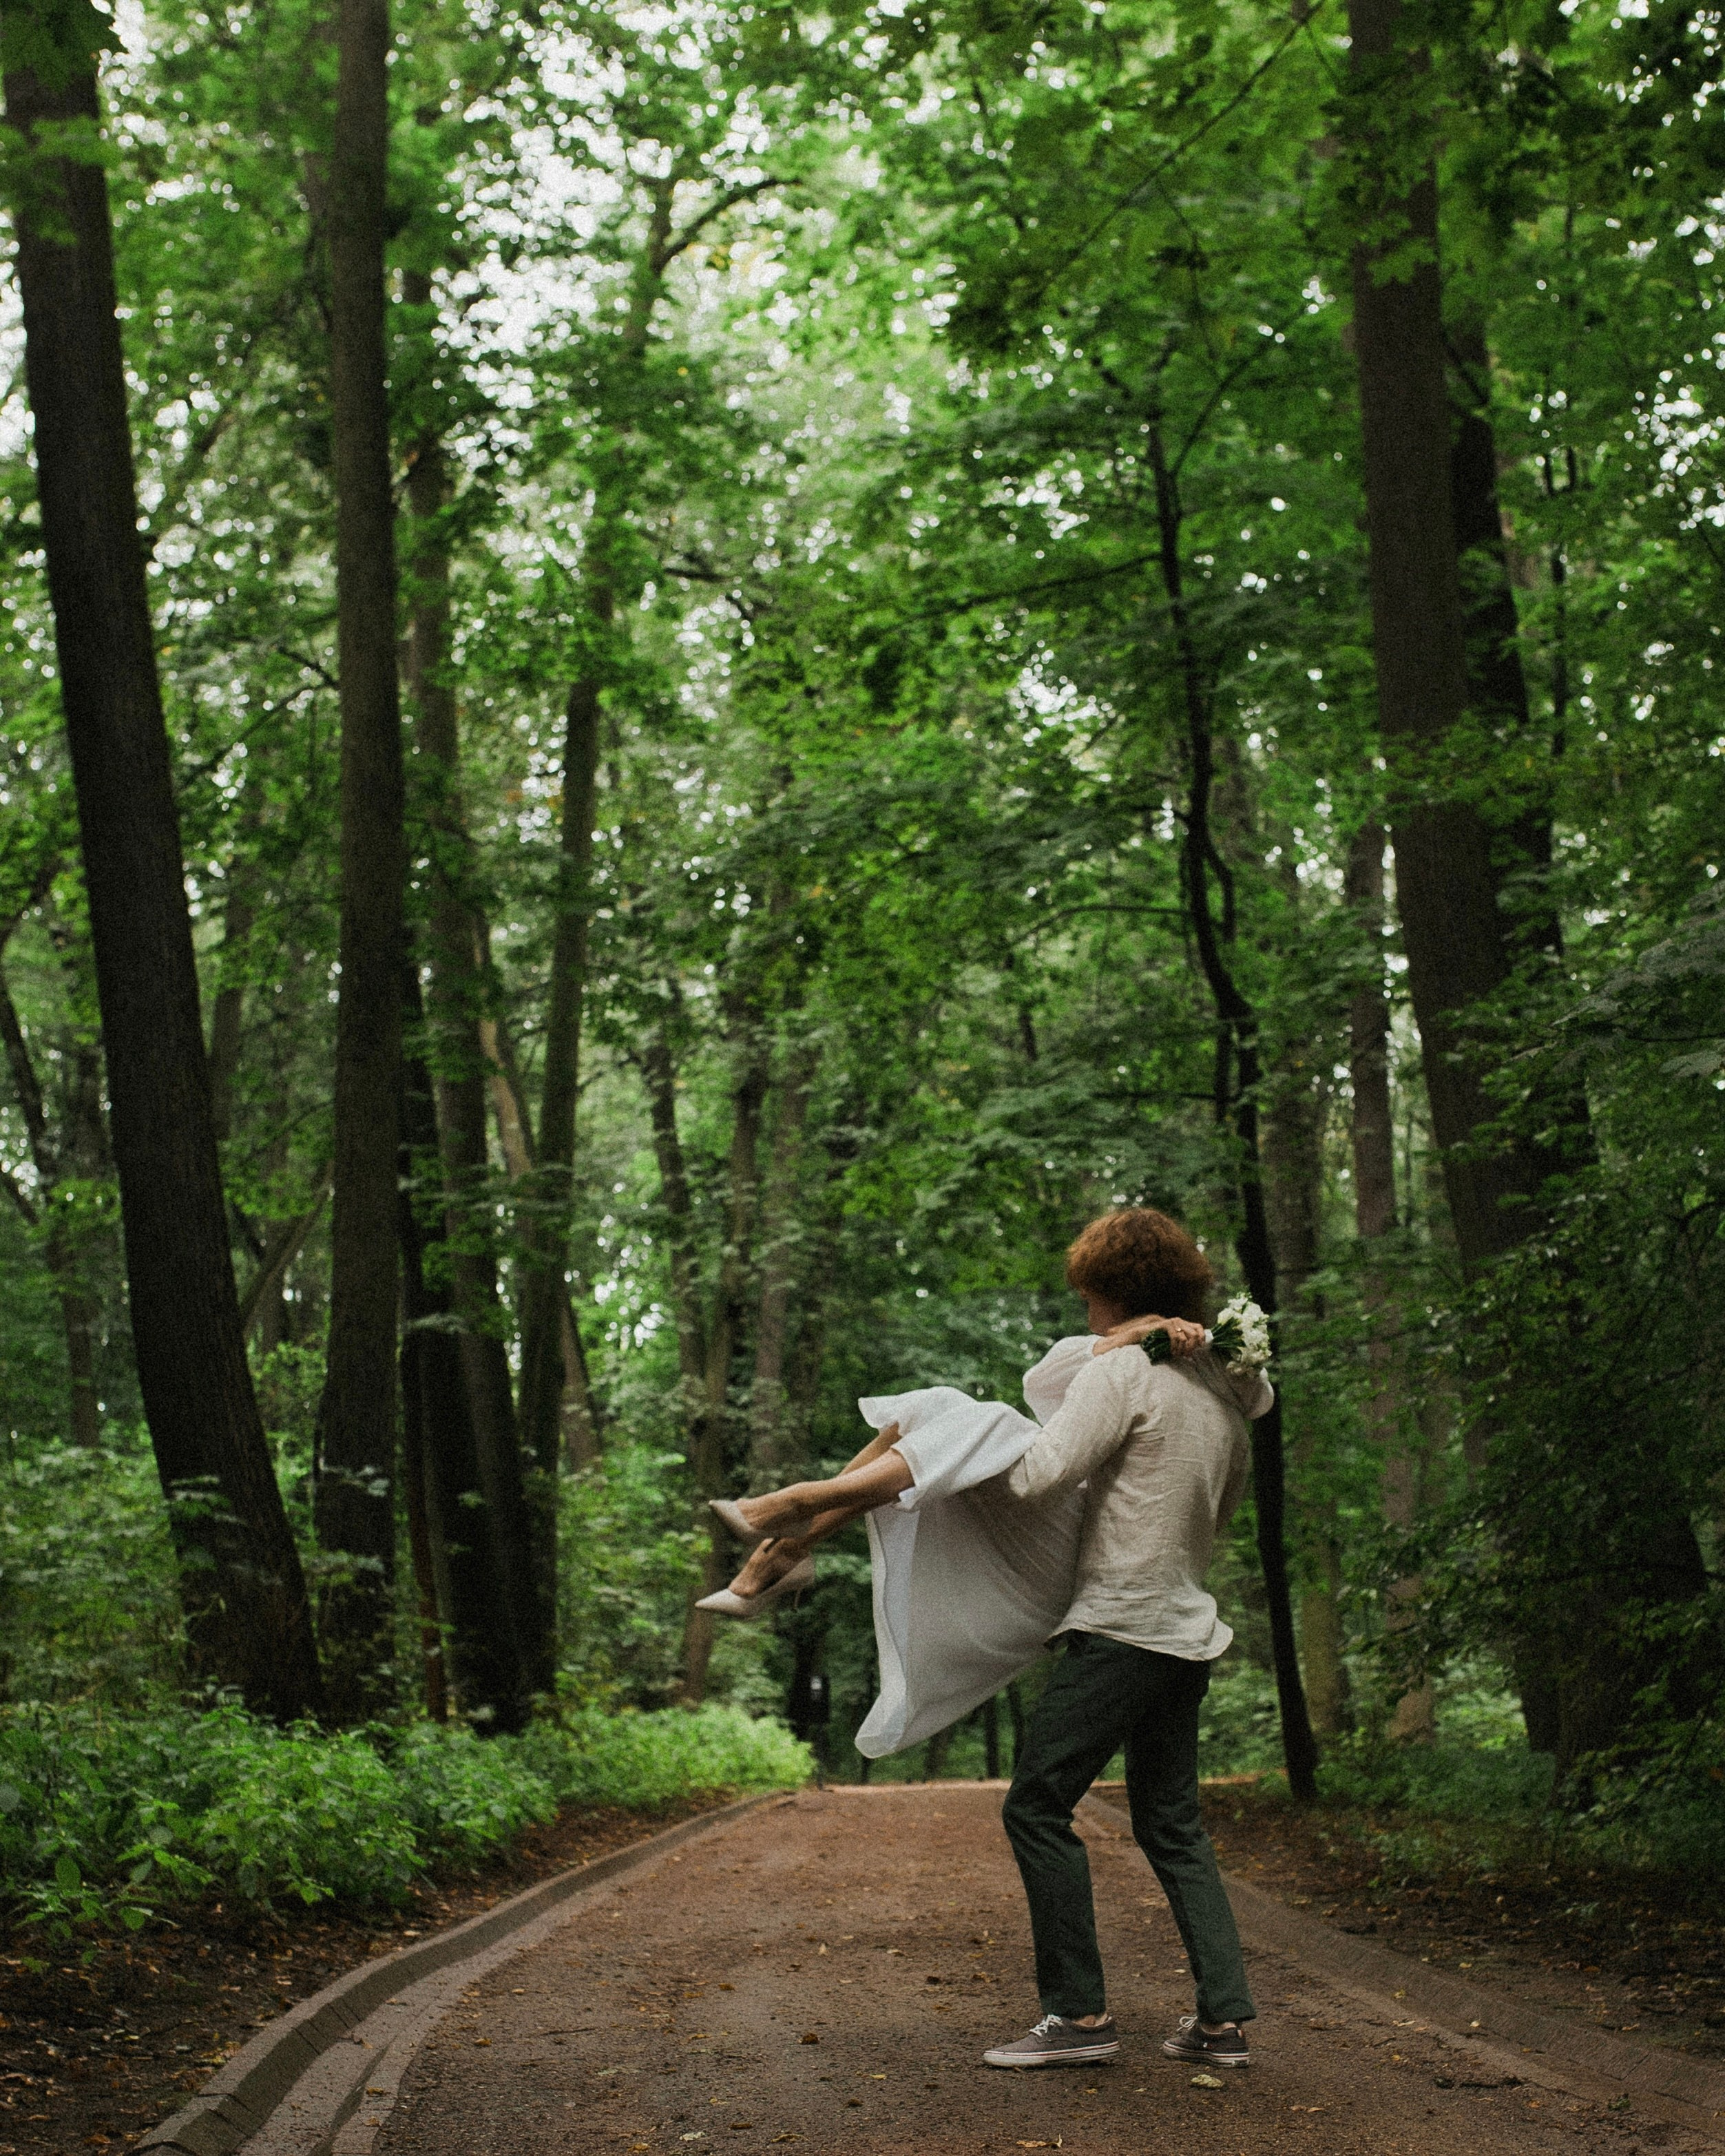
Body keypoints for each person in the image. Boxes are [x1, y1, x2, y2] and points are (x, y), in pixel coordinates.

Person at [704, 1205, 1267, 2073]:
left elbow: (1042, 1476)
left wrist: (963, 1465)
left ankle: (1079, 2017)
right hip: (1187, 1631)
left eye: (1088, 1299)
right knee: (1173, 1824)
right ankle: (1224, 2021)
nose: (1085, 1316)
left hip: (1120, 1627)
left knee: (1036, 1804)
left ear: (1115, 1295)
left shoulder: (1126, 1373)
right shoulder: (1224, 1403)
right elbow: (1215, 1516)